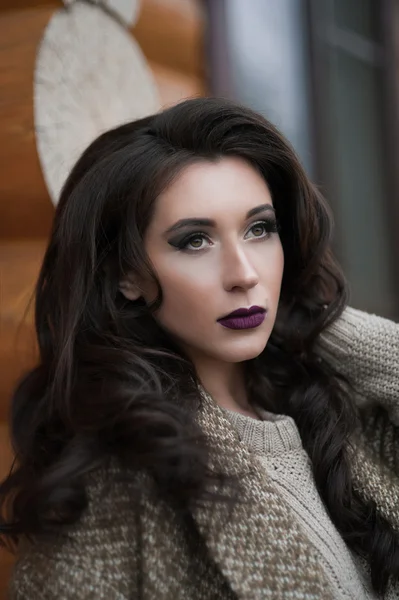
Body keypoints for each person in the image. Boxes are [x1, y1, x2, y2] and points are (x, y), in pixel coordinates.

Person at [1, 97, 399, 600]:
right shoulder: (112, 483)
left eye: (260, 229)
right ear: (127, 277)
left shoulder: (334, 411)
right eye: (194, 241)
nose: (244, 274)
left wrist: (315, 325)